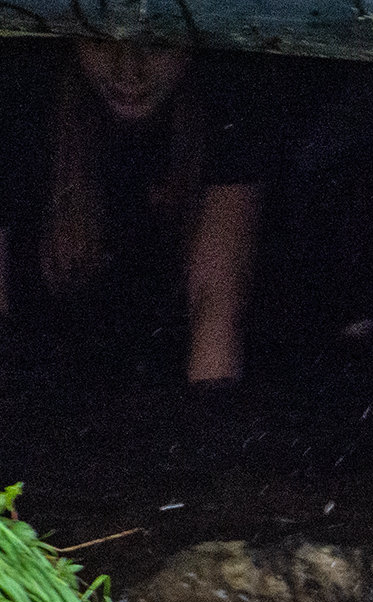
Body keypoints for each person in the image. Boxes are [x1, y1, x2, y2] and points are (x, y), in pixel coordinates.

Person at [0, 37, 269, 388]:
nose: (128, 69)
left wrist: (205, 427)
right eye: (100, 41)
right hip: (43, 377)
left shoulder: (229, 104)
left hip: (164, 384)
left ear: (189, 43)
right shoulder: (23, 103)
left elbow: (216, 305)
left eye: (157, 43)